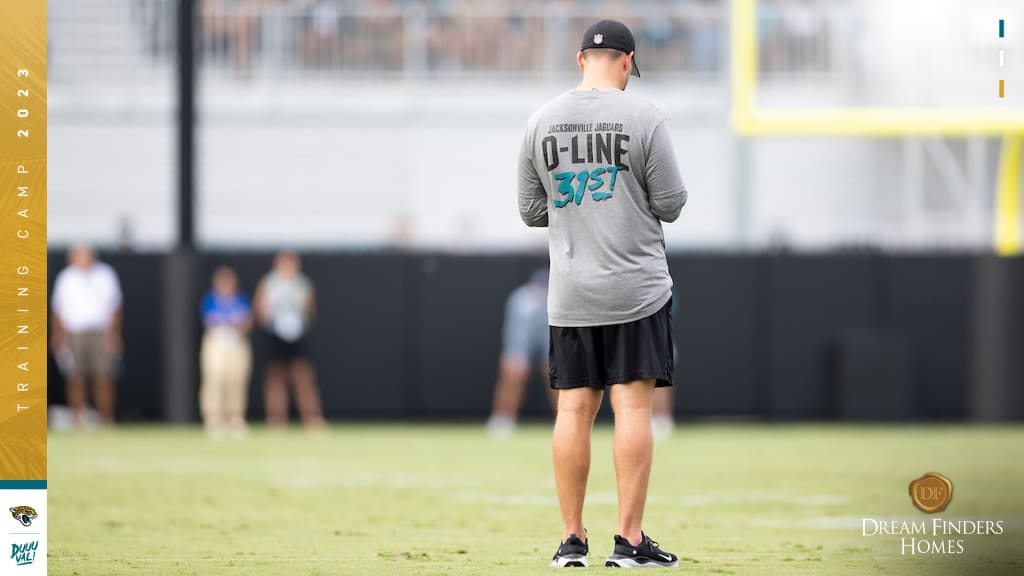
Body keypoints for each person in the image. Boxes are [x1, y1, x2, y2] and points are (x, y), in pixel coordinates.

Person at [518, 20, 687, 568]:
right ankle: (630, 541)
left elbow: (530, 211)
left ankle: (571, 540)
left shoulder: (540, 120)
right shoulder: (645, 117)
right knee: (633, 406)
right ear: (627, 61)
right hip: (636, 289)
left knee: (573, 410)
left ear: (579, 59)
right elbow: (671, 203)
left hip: (570, 292)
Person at [51, 245, 123, 427]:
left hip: (100, 332)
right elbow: (57, 310)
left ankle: (105, 419)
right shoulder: (66, 277)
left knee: (104, 376)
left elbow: (115, 307)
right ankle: (78, 419)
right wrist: (58, 336)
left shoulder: (105, 274)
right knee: (75, 377)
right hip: (74, 333)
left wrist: (113, 334)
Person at [254, 251, 326, 430]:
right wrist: (265, 313)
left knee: (303, 378)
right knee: (275, 379)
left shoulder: (302, 284)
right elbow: (259, 309)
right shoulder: (269, 283)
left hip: (297, 336)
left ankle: (312, 419)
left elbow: (310, 312)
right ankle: (276, 420)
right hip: (275, 335)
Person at [486, 269, 557, 438]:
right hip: (521, 342)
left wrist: (553, 361)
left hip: (550, 342)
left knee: (558, 375)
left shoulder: (558, 300)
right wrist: (516, 358)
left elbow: (554, 339)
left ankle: (564, 422)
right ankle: (502, 420)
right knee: (514, 370)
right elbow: (517, 336)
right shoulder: (521, 300)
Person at [199, 266, 253, 439]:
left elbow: (247, 321)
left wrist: (238, 327)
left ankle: (234, 416)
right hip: (217, 342)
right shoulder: (210, 300)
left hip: (236, 343)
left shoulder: (241, 299)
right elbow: (208, 320)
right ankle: (213, 416)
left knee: (236, 379)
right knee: (215, 378)